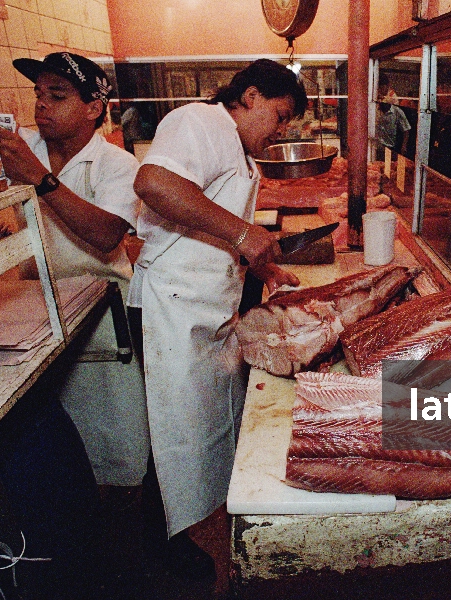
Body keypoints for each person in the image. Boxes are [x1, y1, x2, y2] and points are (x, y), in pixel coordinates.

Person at [0, 52, 151, 591]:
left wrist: (40, 178)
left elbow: (106, 235)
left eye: (58, 96)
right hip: (31, 309)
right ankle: (71, 550)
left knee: (119, 449)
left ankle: (124, 565)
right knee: (58, 442)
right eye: (39, 94)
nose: (42, 106)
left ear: (94, 107)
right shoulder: (24, 144)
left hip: (99, 314)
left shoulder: (117, 165)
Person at [127, 59, 305, 578]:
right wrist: (243, 235)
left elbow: (209, 224)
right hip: (171, 309)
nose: (281, 131)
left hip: (205, 309)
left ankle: (182, 540)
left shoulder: (241, 154)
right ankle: (160, 559)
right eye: (279, 115)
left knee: (199, 431)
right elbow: (155, 183)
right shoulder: (200, 122)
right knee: (174, 433)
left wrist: (263, 264)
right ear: (249, 96)